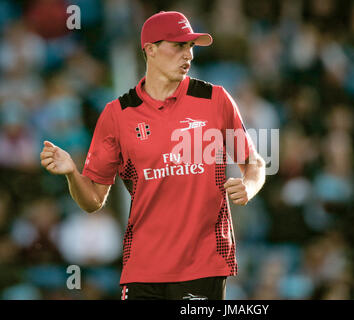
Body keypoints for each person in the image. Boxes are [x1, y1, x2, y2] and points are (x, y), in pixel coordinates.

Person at [40, 11, 266, 300]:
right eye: (179, 46)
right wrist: (72, 173)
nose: (189, 55)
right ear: (150, 49)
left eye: (191, 47)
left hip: (203, 264)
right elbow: (93, 201)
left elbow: (254, 163)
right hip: (143, 267)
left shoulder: (215, 99)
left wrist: (248, 185)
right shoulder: (117, 114)